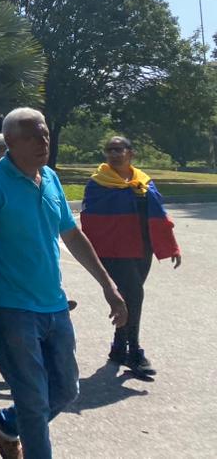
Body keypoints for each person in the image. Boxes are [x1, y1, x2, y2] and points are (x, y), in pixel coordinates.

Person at [0, 107, 127, 459]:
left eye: (45, 134)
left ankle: (6, 423)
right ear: (10, 142)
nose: (43, 141)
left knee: (66, 390)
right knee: (34, 401)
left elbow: (71, 233)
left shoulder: (50, 178)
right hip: (10, 308)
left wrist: (107, 284)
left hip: (53, 304)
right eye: (32, 136)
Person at [80, 136, 182, 377]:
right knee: (135, 294)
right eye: (109, 150)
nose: (114, 153)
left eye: (119, 149)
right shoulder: (98, 183)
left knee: (129, 297)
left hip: (142, 248)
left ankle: (118, 347)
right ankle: (134, 351)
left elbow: (159, 215)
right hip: (114, 250)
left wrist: (172, 246)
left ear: (131, 153)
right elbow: (90, 220)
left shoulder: (143, 181)